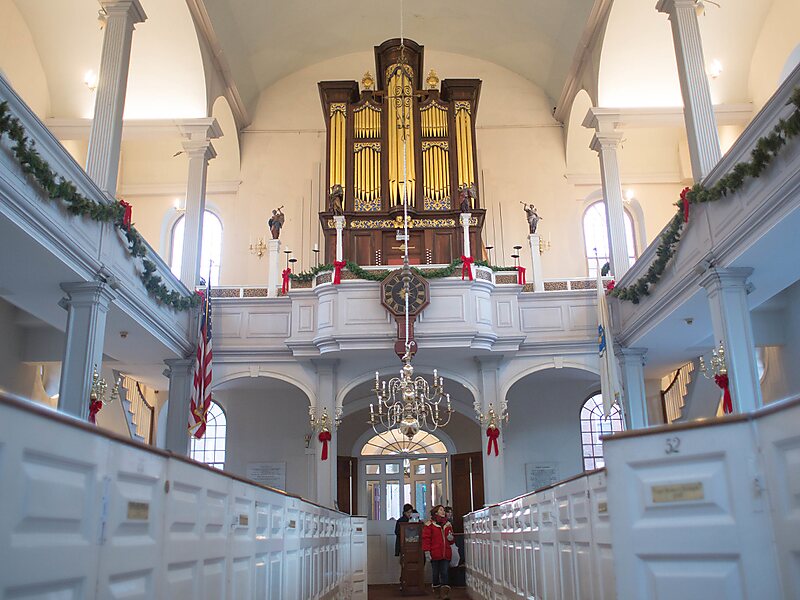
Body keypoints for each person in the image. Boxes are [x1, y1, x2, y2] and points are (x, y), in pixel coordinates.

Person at [422, 504, 454, 599]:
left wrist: (451, 538)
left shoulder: (448, 524)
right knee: (435, 573)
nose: (443, 511)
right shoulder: (429, 525)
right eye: (441, 510)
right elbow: (426, 539)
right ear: (436, 512)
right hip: (434, 553)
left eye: (443, 510)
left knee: (444, 572)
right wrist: (427, 552)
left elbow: (452, 540)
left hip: (445, 553)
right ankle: (437, 591)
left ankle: (445, 594)